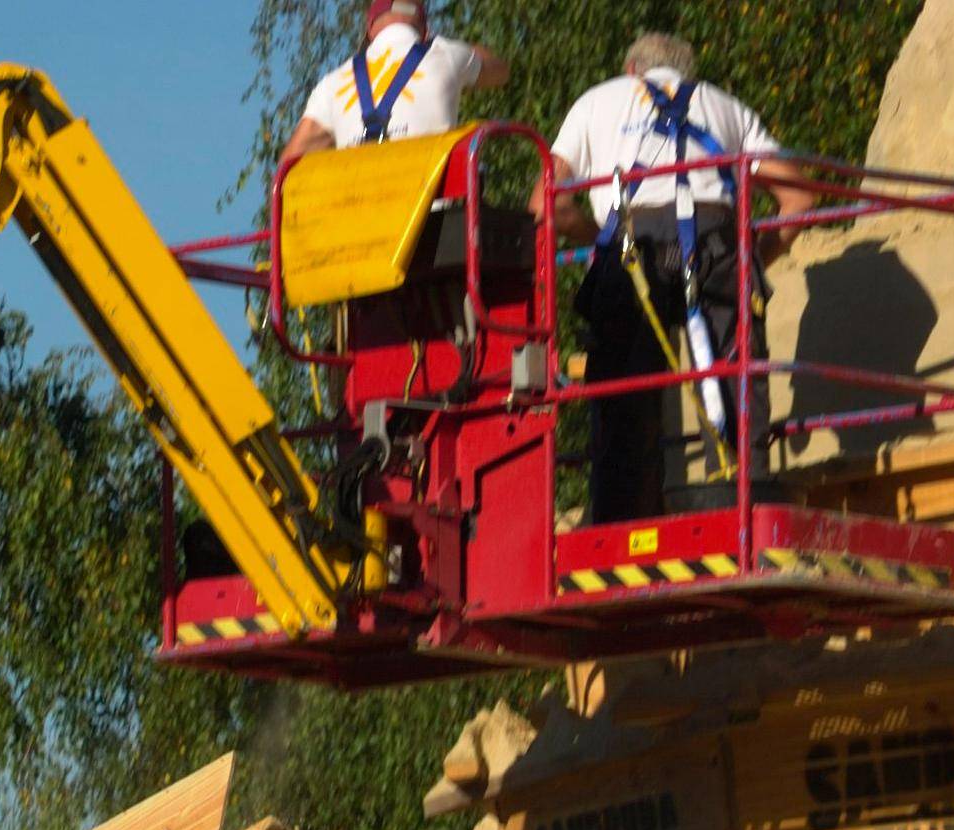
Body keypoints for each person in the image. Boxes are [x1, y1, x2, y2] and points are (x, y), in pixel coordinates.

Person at [530, 32, 816, 524]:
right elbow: (800, 199)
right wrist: (750, 261)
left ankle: (623, 523)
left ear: (631, 70)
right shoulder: (725, 106)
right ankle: (741, 511)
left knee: (624, 400)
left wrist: (601, 239)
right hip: (717, 242)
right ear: (688, 74)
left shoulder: (596, 102)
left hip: (631, 246)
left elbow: (545, 206)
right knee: (733, 384)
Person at [279, 0, 509, 164]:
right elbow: (501, 72)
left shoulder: (331, 84)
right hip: (433, 217)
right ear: (425, 30)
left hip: (358, 217)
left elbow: (288, 167)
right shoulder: (446, 53)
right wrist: (463, 51)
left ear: (369, 31)